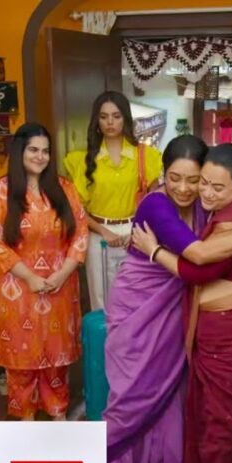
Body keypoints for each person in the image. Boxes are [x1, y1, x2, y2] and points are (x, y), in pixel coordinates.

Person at [104, 135, 232, 463]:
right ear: (163, 174)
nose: (184, 189)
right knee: (134, 395)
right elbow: (200, 255)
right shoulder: (155, 206)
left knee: (173, 391)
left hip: (179, 305)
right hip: (140, 307)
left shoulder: (207, 202)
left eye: (194, 180)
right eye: (174, 178)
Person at [0, 123, 88, 421]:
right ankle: (25, 417)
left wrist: (62, 274)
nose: (40, 156)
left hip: (59, 286)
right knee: (21, 358)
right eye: (33, 150)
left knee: (56, 356)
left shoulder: (64, 188)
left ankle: (58, 413)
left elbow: (80, 233)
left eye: (45, 151)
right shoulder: (0, 190)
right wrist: (29, 277)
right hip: (16, 289)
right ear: (20, 151)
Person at [63, 90, 162, 311]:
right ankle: (104, 336)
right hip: (98, 232)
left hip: (136, 231)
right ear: (96, 121)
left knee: (137, 297)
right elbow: (77, 208)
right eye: (104, 116)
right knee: (100, 300)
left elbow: (154, 201)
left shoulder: (146, 156)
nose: (110, 122)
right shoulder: (83, 160)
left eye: (116, 116)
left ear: (125, 119)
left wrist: (138, 229)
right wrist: (103, 231)